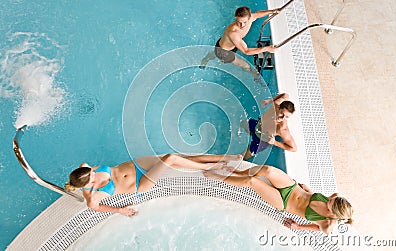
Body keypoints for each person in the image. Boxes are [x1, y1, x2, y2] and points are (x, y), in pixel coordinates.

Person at [65, 154, 241, 216]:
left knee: (180, 158)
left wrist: (89, 172)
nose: (94, 173)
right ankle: (211, 167)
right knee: (171, 159)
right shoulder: (92, 198)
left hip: (135, 164)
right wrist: (121, 210)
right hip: (140, 184)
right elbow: (98, 208)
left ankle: (224, 157)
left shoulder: (85, 170)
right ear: (87, 185)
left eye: (93, 172)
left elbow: (84, 164)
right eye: (92, 177)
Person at [203, 165, 353, 234]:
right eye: (329, 201)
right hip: (293, 188)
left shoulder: (327, 225)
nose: (327, 201)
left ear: (333, 214)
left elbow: (319, 229)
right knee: (267, 170)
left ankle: (218, 177)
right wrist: (310, 191)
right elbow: (326, 199)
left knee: (252, 182)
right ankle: (237, 171)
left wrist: (299, 227)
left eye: (328, 206)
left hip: (284, 203)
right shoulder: (334, 197)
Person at [200, 6, 280, 79]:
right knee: (246, 65)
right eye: (239, 22)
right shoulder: (233, 32)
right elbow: (246, 51)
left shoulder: (250, 17)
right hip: (225, 53)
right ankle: (253, 74)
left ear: (249, 17)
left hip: (228, 44)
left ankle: (208, 57)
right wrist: (266, 48)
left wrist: (272, 11)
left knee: (215, 52)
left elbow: (257, 14)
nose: (242, 25)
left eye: (244, 22)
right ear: (236, 18)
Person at [241, 93, 297, 160]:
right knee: (241, 124)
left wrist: (275, 142)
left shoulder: (282, 129)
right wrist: (269, 101)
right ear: (279, 107)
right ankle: (250, 133)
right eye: (282, 114)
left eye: (286, 117)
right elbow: (285, 95)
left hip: (261, 140)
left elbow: (294, 148)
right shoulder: (276, 104)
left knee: (242, 157)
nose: (282, 118)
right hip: (257, 125)